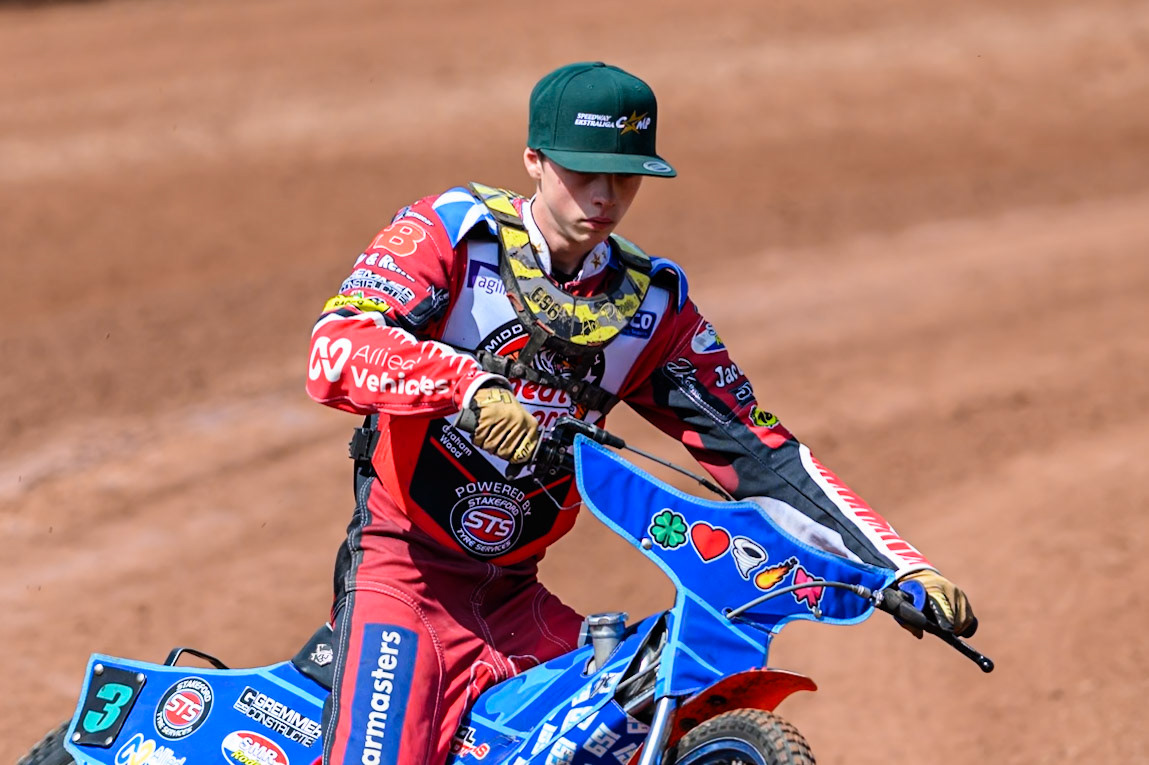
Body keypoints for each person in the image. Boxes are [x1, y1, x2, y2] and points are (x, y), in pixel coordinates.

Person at [306, 61, 976, 765]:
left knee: (631, 731)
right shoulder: (453, 233)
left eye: (624, 176)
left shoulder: (648, 303)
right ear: (533, 159)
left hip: (515, 597)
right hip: (402, 579)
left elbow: (760, 449)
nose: (603, 196)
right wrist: (469, 386)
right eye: (583, 172)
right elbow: (337, 345)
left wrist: (895, 569)